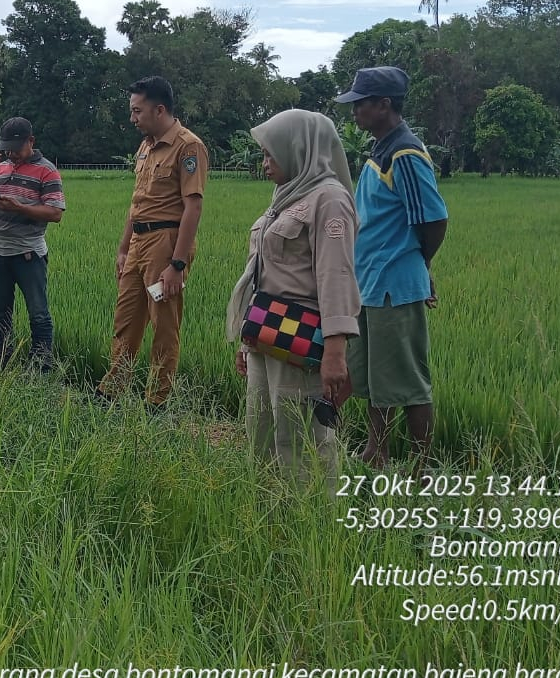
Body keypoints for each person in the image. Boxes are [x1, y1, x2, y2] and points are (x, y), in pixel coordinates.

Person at [227, 109, 361, 478]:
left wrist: (335, 353)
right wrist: (246, 340)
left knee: (301, 440)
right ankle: (270, 518)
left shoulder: (329, 200)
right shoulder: (286, 195)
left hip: (303, 341)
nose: (265, 163)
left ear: (300, 149)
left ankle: (313, 521)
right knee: (261, 432)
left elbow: (337, 276)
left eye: (272, 154)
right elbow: (262, 273)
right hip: (266, 333)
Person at [335, 67, 448, 471]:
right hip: (370, 282)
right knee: (374, 376)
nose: (355, 112)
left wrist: (421, 263)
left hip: (394, 284)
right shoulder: (379, 148)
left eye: (361, 103)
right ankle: (376, 450)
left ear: (385, 104)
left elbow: (433, 220)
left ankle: (422, 465)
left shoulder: (405, 153)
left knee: (408, 380)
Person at [97, 76, 207, 408]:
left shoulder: (189, 147)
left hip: (166, 243)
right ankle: (112, 391)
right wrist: (122, 247)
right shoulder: (145, 146)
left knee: (163, 327)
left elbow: (194, 206)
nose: (133, 118)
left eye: (137, 111)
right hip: (139, 243)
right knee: (126, 320)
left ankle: (155, 403)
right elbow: (138, 201)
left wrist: (177, 263)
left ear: (159, 110)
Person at [0, 117, 65, 372]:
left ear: (31, 141)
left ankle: (40, 368)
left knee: (38, 313)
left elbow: (55, 213)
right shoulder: (1, 168)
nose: (12, 153)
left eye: (17, 147)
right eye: (8, 148)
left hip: (28, 252)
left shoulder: (47, 171)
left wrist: (20, 208)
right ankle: (0, 363)